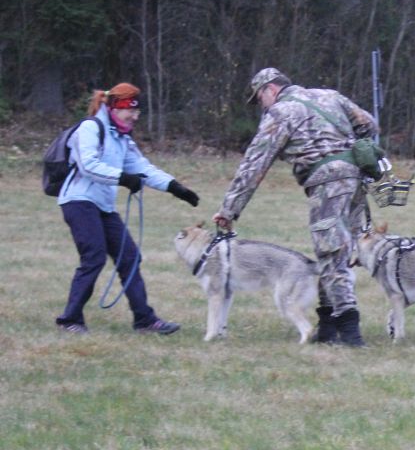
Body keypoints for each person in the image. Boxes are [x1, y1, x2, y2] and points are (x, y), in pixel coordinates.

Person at [212, 68, 378, 346]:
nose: (261, 106)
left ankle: (350, 332)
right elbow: (369, 125)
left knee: (331, 251)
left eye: (260, 99)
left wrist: (229, 210)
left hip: (328, 183)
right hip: (356, 181)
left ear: (270, 90)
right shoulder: (329, 96)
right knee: (340, 250)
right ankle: (327, 327)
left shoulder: (280, 113)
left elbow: (254, 165)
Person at [55, 83, 200, 335]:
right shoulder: (90, 128)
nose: (134, 116)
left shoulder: (122, 138)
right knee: (94, 257)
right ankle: (70, 319)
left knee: (130, 257)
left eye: (136, 112)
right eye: (128, 111)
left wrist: (175, 187)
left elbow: (143, 169)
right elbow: (88, 165)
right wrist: (123, 178)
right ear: (114, 108)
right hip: (78, 201)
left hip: (103, 205)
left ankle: (144, 320)